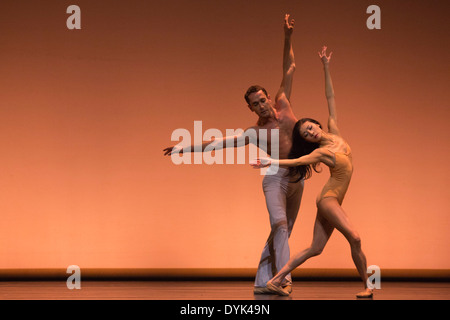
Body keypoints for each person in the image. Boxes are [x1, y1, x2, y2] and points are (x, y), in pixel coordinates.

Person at [163, 14, 304, 294]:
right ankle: (282, 280)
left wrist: (287, 36)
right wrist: (183, 148)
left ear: (268, 98)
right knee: (280, 225)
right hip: (275, 179)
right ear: (251, 110)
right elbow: (217, 144)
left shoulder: (285, 105)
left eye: (263, 100)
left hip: (297, 178)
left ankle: (264, 281)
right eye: (255, 104)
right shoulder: (253, 132)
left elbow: (290, 67)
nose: (262, 106)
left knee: (283, 231)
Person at [251, 46, 373, 298]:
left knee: (314, 249)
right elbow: (296, 161)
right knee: (356, 238)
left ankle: (275, 279)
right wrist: (270, 162)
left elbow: (331, 98)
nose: (310, 132)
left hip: (334, 200)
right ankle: (368, 286)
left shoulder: (334, 131)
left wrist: (326, 66)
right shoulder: (319, 152)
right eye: (306, 133)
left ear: (318, 124)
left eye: (310, 127)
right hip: (328, 200)